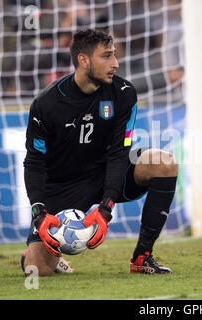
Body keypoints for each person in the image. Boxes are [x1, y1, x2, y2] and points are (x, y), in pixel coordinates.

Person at [21, 29, 178, 276]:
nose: (115, 63)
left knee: (164, 162)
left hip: (106, 172)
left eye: (114, 55)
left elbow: (119, 152)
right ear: (83, 60)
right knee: (37, 271)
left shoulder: (124, 92)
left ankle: (142, 257)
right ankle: (36, 253)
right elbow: (34, 163)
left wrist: (106, 208)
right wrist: (39, 212)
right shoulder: (46, 104)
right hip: (64, 185)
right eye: (106, 56)